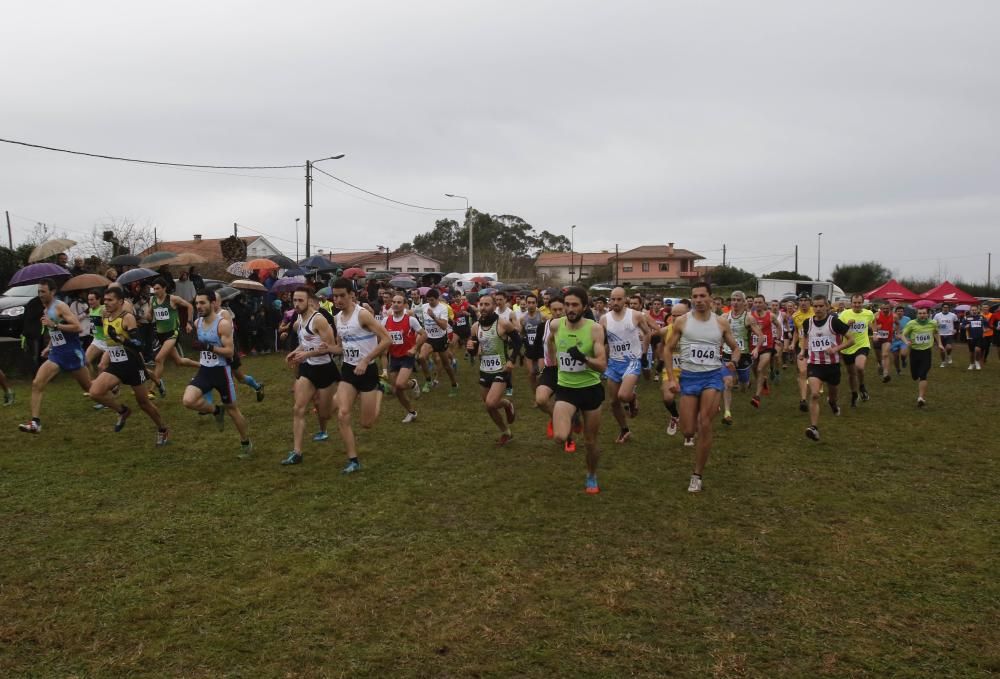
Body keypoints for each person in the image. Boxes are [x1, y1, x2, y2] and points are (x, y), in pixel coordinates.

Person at [662, 283, 741, 492]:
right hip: (688, 377)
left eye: (702, 296)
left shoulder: (721, 323)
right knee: (688, 431)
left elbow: (735, 348)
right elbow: (668, 350)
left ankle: (697, 474)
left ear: (710, 298)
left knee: (704, 423)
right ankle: (689, 420)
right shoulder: (682, 321)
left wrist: (732, 362)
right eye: (694, 296)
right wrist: (671, 378)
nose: (698, 300)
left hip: (712, 376)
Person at [87, 286, 170, 445]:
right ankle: (123, 411)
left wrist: (121, 339)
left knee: (144, 403)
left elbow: (139, 345)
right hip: (116, 364)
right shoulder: (105, 315)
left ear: (120, 301)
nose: (107, 303)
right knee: (95, 392)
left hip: (132, 365)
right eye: (105, 300)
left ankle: (162, 429)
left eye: (110, 300)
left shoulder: (127, 318)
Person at [546, 286, 608, 494]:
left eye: (575, 305)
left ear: (584, 307)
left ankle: (591, 474)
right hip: (566, 388)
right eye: (567, 305)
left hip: (590, 389)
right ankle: (573, 417)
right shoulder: (555, 325)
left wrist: (583, 358)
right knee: (560, 437)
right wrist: (551, 362)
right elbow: (549, 342)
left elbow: (602, 365)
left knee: (590, 442)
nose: (570, 309)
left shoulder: (594, 329)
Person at [181, 291, 253, 458]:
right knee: (188, 400)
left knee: (233, 410)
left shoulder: (223, 324)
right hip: (205, 371)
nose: (199, 306)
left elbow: (230, 352)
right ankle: (215, 410)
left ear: (213, 303)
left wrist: (208, 347)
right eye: (197, 303)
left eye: (202, 303)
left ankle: (246, 443)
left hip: (222, 373)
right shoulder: (198, 323)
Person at [332, 278, 392, 474]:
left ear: (351, 295)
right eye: (335, 296)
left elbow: (386, 340)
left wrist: (366, 360)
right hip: (349, 371)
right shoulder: (337, 318)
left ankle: (380, 389)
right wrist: (324, 349)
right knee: (342, 414)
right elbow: (340, 347)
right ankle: (353, 460)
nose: (338, 300)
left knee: (367, 423)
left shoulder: (363, 315)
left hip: (368, 372)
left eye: (342, 295)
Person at [18, 279, 92, 434]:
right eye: (39, 291)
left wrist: (55, 325)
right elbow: (55, 332)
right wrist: (49, 346)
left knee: (91, 389)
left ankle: (119, 406)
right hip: (57, 354)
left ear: (52, 292)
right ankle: (35, 422)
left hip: (71, 352)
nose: (40, 295)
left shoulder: (60, 306)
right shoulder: (45, 309)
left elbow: (77, 327)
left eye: (43, 291)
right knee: (37, 383)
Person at [281, 287, 340, 465]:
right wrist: (295, 352)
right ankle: (297, 452)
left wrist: (306, 355)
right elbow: (305, 343)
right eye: (294, 301)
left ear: (310, 301)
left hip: (325, 370)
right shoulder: (299, 318)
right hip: (308, 370)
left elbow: (331, 346)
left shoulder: (319, 320)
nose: (297, 304)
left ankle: (343, 398)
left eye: (300, 301)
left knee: (325, 413)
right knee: (298, 408)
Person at [600, 287, 653, 443]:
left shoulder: (635, 315)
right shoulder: (604, 319)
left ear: (625, 300)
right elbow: (603, 341)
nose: (615, 302)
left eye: (619, 299)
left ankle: (632, 398)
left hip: (632, 361)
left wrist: (643, 353)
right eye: (612, 299)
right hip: (614, 363)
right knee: (613, 402)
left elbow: (647, 333)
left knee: (623, 395)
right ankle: (624, 430)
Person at [799, 295, 853, 442]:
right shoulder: (807, 323)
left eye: (820, 306)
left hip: (832, 365)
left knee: (833, 394)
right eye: (815, 306)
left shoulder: (834, 321)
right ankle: (814, 428)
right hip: (815, 364)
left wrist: (836, 349)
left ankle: (833, 403)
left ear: (827, 306)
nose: (817, 309)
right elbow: (805, 337)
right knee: (815, 394)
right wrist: (803, 351)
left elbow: (851, 339)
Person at [467, 294, 518, 445]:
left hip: (501, 369)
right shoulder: (475, 327)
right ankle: (505, 430)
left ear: (494, 306)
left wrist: (511, 359)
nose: (483, 307)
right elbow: (474, 350)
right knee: (490, 406)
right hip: (485, 369)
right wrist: (470, 348)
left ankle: (507, 405)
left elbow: (517, 341)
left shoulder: (503, 324)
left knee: (490, 403)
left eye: (487, 304)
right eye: (481, 304)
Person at [534, 296, 576, 451]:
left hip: (569, 371)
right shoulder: (543, 326)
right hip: (551, 369)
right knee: (540, 400)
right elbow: (539, 349)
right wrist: (540, 368)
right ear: (549, 310)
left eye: (561, 309)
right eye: (555, 310)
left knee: (563, 405)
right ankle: (556, 418)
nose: (558, 312)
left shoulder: (574, 326)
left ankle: (569, 438)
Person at [148, 277, 198, 397]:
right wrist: (148, 316)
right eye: (154, 289)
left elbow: (190, 306)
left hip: (172, 333)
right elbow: (150, 315)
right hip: (160, 334)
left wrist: (189, 322)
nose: (155, 291)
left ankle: (153, 388)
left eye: (158, 288)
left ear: (164, 288)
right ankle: (204, 365)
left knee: (159, 359)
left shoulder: (173, 299)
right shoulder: (152, 300)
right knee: (179, 361)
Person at [382, 292, 425, 423]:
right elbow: (380, 336)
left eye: (399, 302)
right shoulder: (386, 320)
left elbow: (424, 334)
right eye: (394, 302)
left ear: (404, 305)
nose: (395, 304)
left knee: (400, 384)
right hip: (394, 356)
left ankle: (413, 383)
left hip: (407, 356)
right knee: (396, 390)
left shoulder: (410, 319)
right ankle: (411, 412)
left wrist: (415, 348)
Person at [720, 291, 761, 425]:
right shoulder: (725, 316)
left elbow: (760, 336)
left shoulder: (748, 318)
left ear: (744, 302)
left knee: (743, 382)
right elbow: (720, 335)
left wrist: (756, 348)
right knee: (728, 383)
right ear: (730, 302)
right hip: (727, 353)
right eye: (733, 300)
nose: (735, 302)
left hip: (743, 355)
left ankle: (746, 383)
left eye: (738, 300)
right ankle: (727, 412)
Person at [418, 289, 459, 396]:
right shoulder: (424, 307)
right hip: (429, 338)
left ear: (437, 299)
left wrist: (433, 317)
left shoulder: (443, 308)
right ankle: (428, 381)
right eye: (428, 300)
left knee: (446, 365)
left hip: (440, 339)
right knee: (421, 357)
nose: (430, 302)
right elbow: (414, 313)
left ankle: (454, 385)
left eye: (432, 300)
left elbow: (444, 326)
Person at [838, 293, 875, 407]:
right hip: (847, 347)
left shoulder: (868, 313)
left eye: (859, 303)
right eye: (855, 303)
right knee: (851, 374)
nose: (857, 305)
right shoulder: (844, 314)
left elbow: (872, 323)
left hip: (862, 345)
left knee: (859, 366)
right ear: (851, 303)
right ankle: (854, 394)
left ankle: (862, 385)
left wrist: (875, 332)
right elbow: (838, 330)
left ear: (862, 303)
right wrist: (847, 325)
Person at [901, 307, 943, 407]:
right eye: (920, 313)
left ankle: (921, 398)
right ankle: (914, 374)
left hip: (926, 352)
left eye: (924, 313)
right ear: (917, 315)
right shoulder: (911, 323)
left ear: (927, 314)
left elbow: (936, 333)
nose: (922, 315)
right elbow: (903, 334)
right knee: (915, 376)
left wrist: (940, 344)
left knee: (923, 374)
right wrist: (906, 341)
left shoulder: (932, 323)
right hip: (915, 352)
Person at [659, 301, 689, 439]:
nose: (675, 318)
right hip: (672, 369)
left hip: (690, 370)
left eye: (679, 315)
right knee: (667, 398)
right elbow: (661, 345)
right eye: (673, 315)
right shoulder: (666, 330)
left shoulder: (695, 331)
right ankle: (675, 416)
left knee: (688, 403)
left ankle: (690, 433)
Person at [749, 295, 776, 409]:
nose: (758, 304)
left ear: (764, 304)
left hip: (767, 346)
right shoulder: (750, 317)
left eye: (760, 302)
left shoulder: (771, 316)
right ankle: (763, 381)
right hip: (754, 347)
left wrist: (778, 339)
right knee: (755, 369)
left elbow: (779, 326)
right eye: (756, 302)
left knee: (760, 368)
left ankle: (757, 396)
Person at [791, 295, 815, 412]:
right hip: (802, 347)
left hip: (816, 348)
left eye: (806, 300)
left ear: (810, 302)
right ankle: (803, 399)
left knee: (814, 373)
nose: (803, 303)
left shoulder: (815, 312)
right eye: (801, 300)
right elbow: (796, 331)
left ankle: (815, 392)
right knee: (802, 371)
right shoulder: (795, 315)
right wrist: (792, 343)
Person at [520, 294, 545, 395]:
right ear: (525, 304)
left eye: (533, 303)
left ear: (536, 304)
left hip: (540, 349)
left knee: (540, 373)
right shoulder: (523, 319)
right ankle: (535, 396)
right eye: (529, 303)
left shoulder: (542, 317)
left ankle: (541, 393)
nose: (531, 305)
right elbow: (522, 333)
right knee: (531, 374)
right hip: (529, 349)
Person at [872, 300, 895, 382]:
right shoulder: (876, 315)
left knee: (885, 355)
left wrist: (897, 331)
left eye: (887, 308)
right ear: (881, 308)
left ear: (890, 308)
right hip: (877, 338)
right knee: (879, 358)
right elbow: (870, 324)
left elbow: (898, 324)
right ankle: (880, 364)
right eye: (883, 308)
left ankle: (886, 374)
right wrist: (875, 331)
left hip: (887, 338)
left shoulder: (894, 316)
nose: (885, 310)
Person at [932, 303, 958, 367]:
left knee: (949, 347)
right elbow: (933, 324)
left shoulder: (953, 315)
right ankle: (943, 362)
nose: (945, 308)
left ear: (949, 308)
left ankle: (949, 355)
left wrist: (955, 329)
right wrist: (938, 326)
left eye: (947, 307)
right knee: (942, 349)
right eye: (944, 307)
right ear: (942, 308)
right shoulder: (937, 315)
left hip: (949, 334)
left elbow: (957, 322)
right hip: (940, 334)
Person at [961, 303, 985, 370]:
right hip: (970, 337)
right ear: (970, 310)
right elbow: (962, 326)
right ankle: (971, 364)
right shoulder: (967, 317)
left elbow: (986, 324)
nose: (974, 311)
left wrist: (985, 329)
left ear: (978, 310)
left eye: (975, 310)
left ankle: (977, 362)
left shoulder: (981, 317)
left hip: (979, 337)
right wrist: (965, 326)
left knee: (978, 350)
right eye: (972, 310)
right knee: (971, 352)